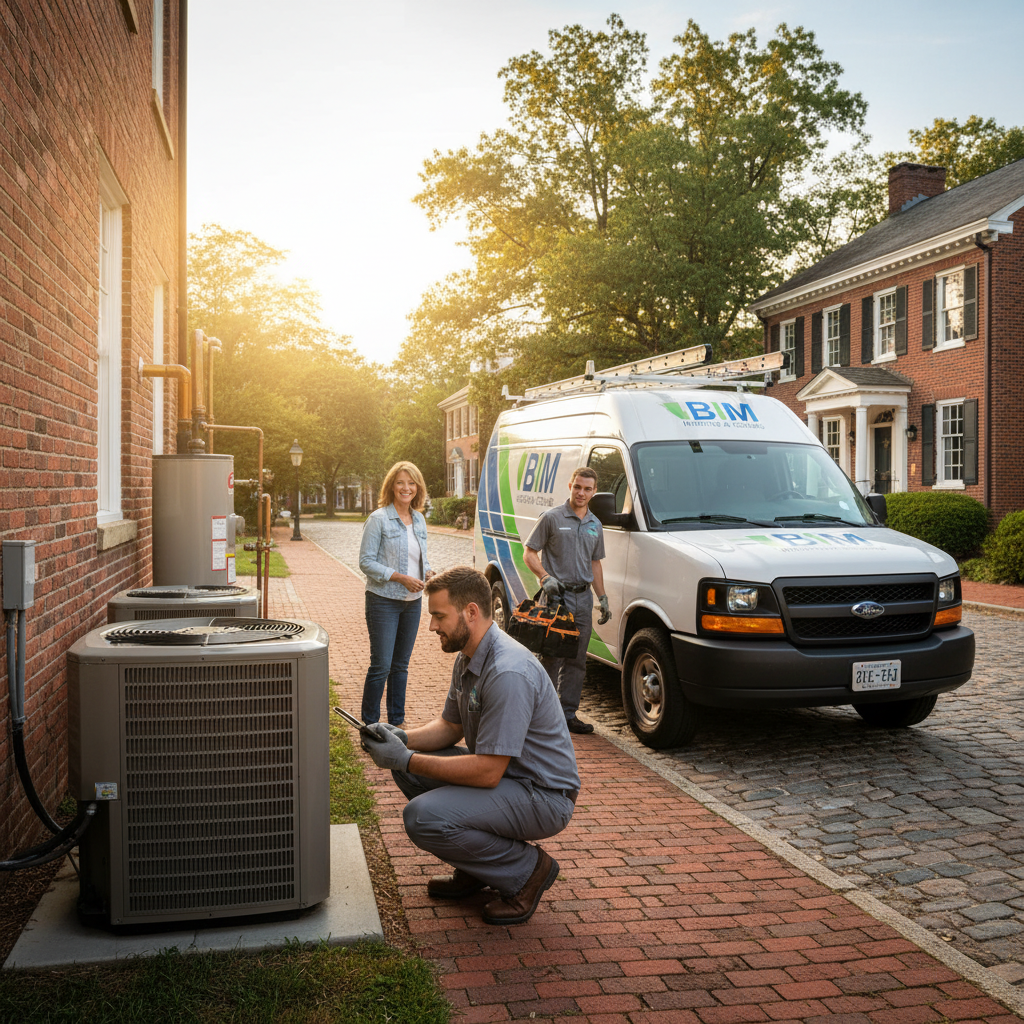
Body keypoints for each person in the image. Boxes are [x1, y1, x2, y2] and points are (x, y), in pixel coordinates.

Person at [360, 566, 579, 926]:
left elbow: (487, 772)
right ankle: (480, 868)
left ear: (471, 613)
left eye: (438, 616)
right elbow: (450, 727)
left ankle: (527, 871)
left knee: (422, 816)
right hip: (509, 779)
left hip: (542, 795)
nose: (431, 626)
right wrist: (400, 738)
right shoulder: (469, 654)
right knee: (411, 774)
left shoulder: (508, 671)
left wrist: (407, 759)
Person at [523, 466, 610, 735]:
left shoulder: (595, 524)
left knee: (577, 659)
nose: (581, 493)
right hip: (556, 600)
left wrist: (603, 597)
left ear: (594, 491)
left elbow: (595, 563)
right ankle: (541, 715)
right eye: (577, 487)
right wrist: (544, 577)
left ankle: (567, 715)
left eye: (587, 489)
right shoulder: (551, 518)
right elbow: (529, 553)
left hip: (583, 600)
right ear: (570, 486)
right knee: (551, 658)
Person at [358, 461, 433, 727]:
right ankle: (370, 726)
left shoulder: (419, 519)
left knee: (401, 666)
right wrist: (400, 577)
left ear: (417, 488)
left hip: (412, 603)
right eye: (401, 482)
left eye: (411, 483)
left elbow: (420, 558)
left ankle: (396, 725)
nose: (406, 488)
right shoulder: (378, 519)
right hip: (383, 602)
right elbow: (365, 562)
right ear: (392, 486)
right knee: (381, 666)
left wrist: (429, 573)